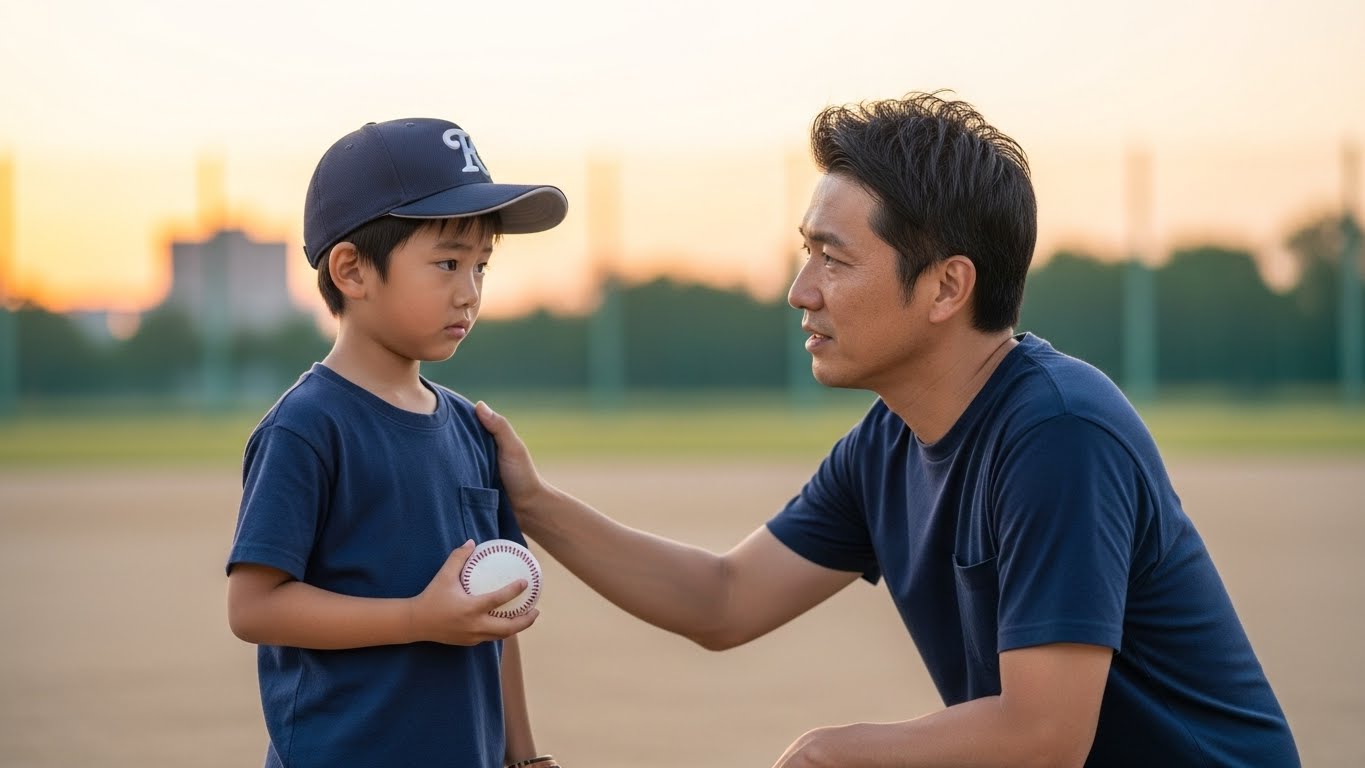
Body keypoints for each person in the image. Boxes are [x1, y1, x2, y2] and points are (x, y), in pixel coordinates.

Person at [474, 93, 1300, 767]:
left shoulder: (1059, 431)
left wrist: (833, 753)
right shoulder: (888, 442)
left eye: (833, 259)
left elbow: (1045, 736)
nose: (801, 290)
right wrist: (535, 503)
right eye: (806, 255)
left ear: (946, 288)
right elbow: (721, 600)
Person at [226, 117, 568, 768]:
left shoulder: (472, 427)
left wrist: (522, 756)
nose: (468, 292)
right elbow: (254, 606)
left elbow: (496, 611)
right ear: (352, 270)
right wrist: (415, 619)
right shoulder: (308, 425)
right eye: (445, 263)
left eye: (480, 265)